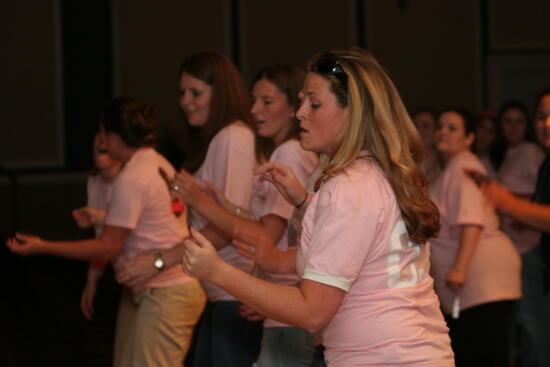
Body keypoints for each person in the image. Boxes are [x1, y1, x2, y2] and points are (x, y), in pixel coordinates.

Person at [179, 48, 455, 366]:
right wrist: (303, 201)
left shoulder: (349, 187)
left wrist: (217, 271)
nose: (300, 113)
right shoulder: (374, 173)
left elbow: (312, 311)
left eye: (314, 103)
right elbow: (368, 243)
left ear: (353, 112)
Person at [7, 98, 206, 367]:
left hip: (168, 290)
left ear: (115, 136)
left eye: (103, 133)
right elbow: (152, 222)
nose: (101, 140)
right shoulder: (154, 162)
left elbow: (107, 246)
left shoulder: (133, 176)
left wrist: (41, 246)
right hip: (161, 288)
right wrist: (103, 218)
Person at [115, 50, 262, 367]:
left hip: (235, 293)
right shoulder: (219, 138)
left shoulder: (233, 136)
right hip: (220, 293)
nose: (185, 101)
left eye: (196, 92)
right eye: (182, 93)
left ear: (219, 93)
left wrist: (159, 260)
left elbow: (230, 225)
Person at [170, 65, 319, 367]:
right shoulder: (284, 151)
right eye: (254, 101)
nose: (254, 110)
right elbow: (271, 222)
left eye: (267, 101)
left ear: (294, 106)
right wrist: (231, 207)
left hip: (285, 298)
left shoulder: (288, 152)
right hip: (279, 299)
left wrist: (200, 201)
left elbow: (267, 235)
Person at [428, 107, 521, 367]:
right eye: (440, 126)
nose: (442, 131)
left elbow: (472, 222)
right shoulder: (452, 169)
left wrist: (459, 269)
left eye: (452, 128)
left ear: (468, 138)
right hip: (477, 285)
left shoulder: (463, 168)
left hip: (479, 281)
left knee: (481, 353)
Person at [479, 87, 550, 367]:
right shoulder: (544, 162)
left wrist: (508, 203)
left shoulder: (532, 153)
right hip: (541, 264)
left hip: (529, 255)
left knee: (534, 330)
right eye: (542, 116)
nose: (547, 124)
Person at [73, 134, 121, 320]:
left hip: (153, 274)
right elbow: (103, 239)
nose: (102, 139)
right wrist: (91, 282)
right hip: (122, 272)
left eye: (109, 133)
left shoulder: (133, 180)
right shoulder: (94, 182)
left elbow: (140, 228)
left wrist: (101, 218)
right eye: (99, 133)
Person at [412, 107, 440, 181]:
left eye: (426, 126)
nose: (419, 131)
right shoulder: (405, 161)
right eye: (416, 126)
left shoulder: (444, 163)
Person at [472, 109, 498, 177]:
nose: (484, 134)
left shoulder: (496, 168)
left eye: (490, 131)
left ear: (495, 137)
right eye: (482, 127)